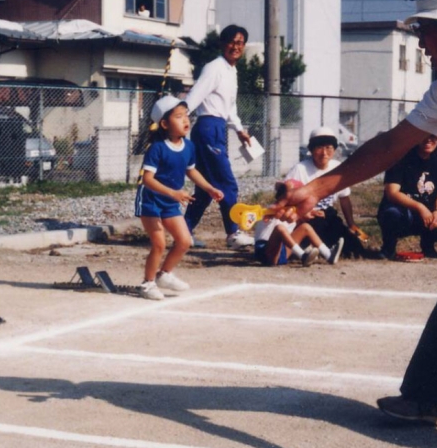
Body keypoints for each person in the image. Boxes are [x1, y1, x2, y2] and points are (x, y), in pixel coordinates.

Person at [277, 0, 437, 426]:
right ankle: (433, 395)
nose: (419, 41)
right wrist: (317, 188)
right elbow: (389, 146)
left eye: (425, 30)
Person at [135, 95, 223, 301]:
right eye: (179, 116)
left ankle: (164, 274)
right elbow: (147, 180)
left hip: (170, 201)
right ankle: (147, 284)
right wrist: (174, 193)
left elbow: (191, 171)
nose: (186, 120)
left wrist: (209, 188)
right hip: (150, 200)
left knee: (185, 241)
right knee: (159, 244)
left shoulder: (189, 146)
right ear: (164, 123)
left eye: (186, 116)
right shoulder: (156, 148)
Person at [182, 24, 255, 251]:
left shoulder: (231, 71)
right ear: (223, 44)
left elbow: (229, 107)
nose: (236, 46)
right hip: (207, 128)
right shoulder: (214, 67)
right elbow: (197, 94)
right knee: (226, 183)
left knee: (204, 190)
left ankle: (183, 233)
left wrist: (240, 130)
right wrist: (179, 116)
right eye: (232, 42)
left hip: (217, 127)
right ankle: (233, 233)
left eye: (240, 43)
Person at [284, 127, 366, 257]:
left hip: (328, 217)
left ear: (334, 149)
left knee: (355, 248)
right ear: (311, 150)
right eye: (319, 148)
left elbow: (344, 198)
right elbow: (285, 199)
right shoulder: (300, 169)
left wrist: (351, 224)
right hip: (306, 218)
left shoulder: (337, 168)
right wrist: (303, 213)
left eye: (329, 148)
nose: (324, 153)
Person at [377, 134, 437, 258]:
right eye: (424, 135)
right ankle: (389, 247)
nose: (428, 139)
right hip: (404, 211)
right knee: (392, 214)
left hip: (429, 213)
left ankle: (428, 244)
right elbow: (392, 193)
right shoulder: (400, 158)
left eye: (433, 136)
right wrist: (420, 207)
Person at [253, 179, 344, 267]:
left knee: (305, 227)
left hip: (281, 251)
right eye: (282, 192)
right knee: (280, 228)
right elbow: (268, 215)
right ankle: (303, 256)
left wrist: (309, 213)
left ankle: (328, 254)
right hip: (265, 250)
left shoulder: (293, 213)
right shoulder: (272, 209)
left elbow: (300, 219)